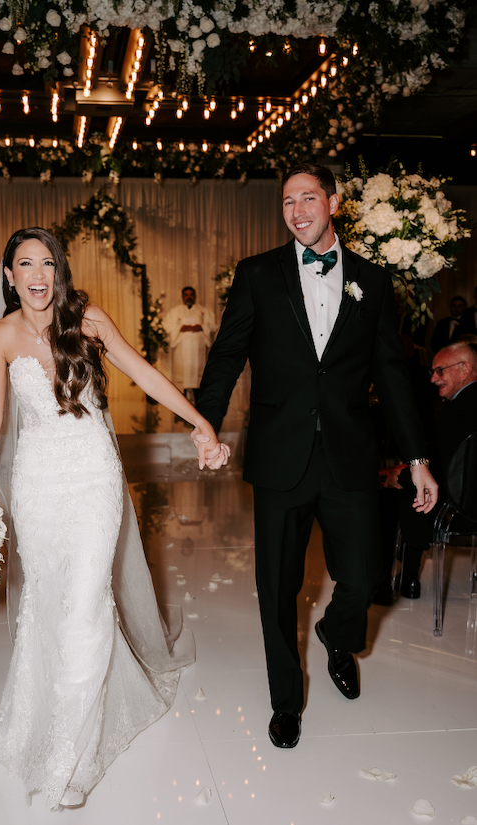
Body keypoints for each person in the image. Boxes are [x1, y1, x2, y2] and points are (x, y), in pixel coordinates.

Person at [0, 227, 229, 809]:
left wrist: (200, 421)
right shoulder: (1, 336)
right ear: (9, 276)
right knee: (49, 602)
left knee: (86, 602)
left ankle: (75, 758)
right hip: (36, 483)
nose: (38, 274)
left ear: (59, 271)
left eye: (47, 263)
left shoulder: (88, 321)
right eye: (25, 264)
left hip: (93, 477)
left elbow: (144, 372)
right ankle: (43, 717)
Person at [193, 163, 438, 750]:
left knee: (365, 576)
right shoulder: (258, 274)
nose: (297, 211)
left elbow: (392, 375)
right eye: (287, 202)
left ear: (334, 202)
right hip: (280, 454)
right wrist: (205, 423)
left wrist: (418, 457)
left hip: (350, 453)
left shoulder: (373, 281)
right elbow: (227, 355)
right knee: (277, 585)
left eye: (308, 198)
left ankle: (336, 635)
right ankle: (286, 701)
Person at [394, 341, 477, 597]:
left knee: (414, 495)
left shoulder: (457, 411)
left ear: (465, 369)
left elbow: (439, 472)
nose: (432, 378)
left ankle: (406, 578)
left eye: (440, 370)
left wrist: (401, 477)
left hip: (462, 511)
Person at [162, 286, 218, 402]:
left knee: (198, 377)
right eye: (186, 295)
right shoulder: (175, 311)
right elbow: (167, 325)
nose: (189, 297)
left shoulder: (203, 311)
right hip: (182, 349)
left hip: (198, 350)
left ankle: (199, 404)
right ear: (182, 297)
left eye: (191, 294)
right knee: (182, 377)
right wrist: (181, 327)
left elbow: (213, 325)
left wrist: (201, 327)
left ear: (195, 296)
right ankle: (181, 404)